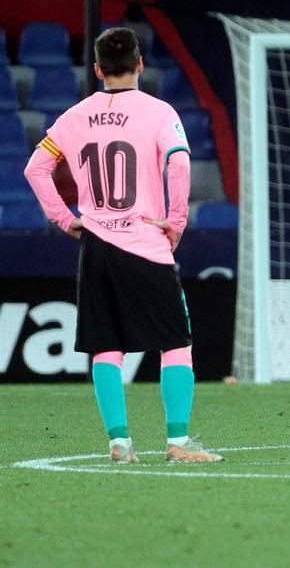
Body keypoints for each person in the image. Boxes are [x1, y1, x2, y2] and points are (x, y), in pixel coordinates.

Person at [23, 27, 222, 463]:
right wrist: (175, 222)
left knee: (107, 346)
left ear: (97, 69)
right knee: (176, 342)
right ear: (140, 65)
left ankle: (119, 442)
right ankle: (178, 441)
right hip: (144, 241)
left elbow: (35, 169)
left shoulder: (73, 117)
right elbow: (179, 162)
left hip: (95, 243)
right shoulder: (158, 111)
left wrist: (65, 219)